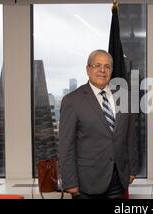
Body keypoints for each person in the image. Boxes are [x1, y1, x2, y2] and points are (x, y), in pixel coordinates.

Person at [58, 49, 139, 199]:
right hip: (86, 183)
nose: (103, 70)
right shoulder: (72, 101)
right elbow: (66, 146)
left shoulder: (124, 97)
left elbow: (130, 137)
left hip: (118, 180)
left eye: (107, 66)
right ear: (88, 69)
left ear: (111, 70)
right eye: (97, 65)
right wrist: (70, 182)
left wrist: (133, 169)